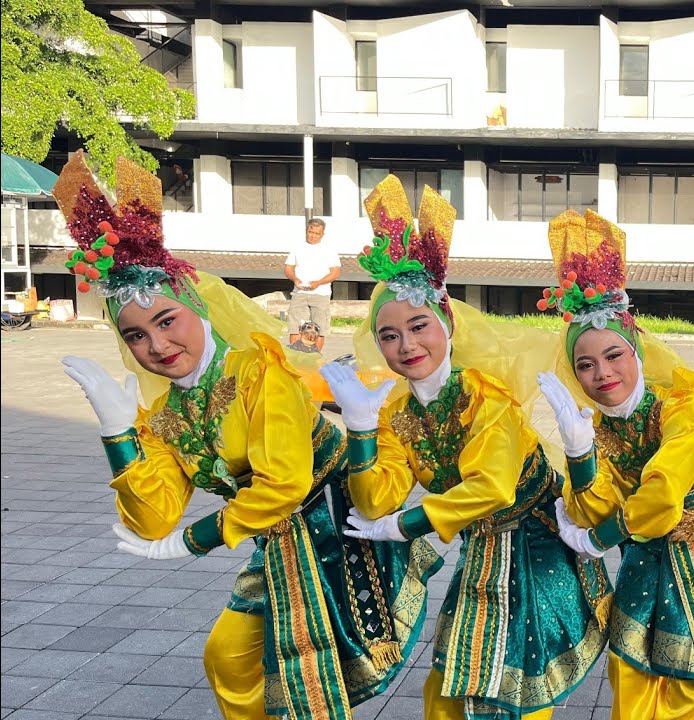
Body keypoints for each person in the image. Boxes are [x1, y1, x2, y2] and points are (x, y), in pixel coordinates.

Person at [55, 151, 438, 719]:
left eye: (166, 321)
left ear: (199, 313)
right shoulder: (165, 413)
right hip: (278, 544)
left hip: (334, 531)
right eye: (135, 336)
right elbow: (153, 517)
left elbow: (283, 484)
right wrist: (119, 434)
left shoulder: (258, 373)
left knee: (308, 674)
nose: (157, 347)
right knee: (229, 659)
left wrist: (197, 539)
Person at [322, 175, 608, 719]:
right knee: (453, 685)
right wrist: (359, 430)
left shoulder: (487, 398)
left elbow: (492, 486)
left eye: (418, 326)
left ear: (447, 322)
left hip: (534, 546)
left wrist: (406, 527)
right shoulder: (397, 413)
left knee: (504, 688)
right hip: (483, 546)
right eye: (388, 335)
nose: (406, 345)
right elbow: (375, 499)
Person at [535, 208, 694, 720]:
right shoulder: (598, 429)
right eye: (585, 363)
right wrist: (579, 454)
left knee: (692, 677)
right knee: (632, 670)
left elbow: (663, 496)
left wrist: (601, 538)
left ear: (638, 352)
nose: (602, 373)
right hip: (648, 552)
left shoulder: (680, 406)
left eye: (615, 355)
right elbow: (590, 507)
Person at [285, 218, 340, 351]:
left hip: (321, 293)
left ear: (322, 234)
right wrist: (294, 279)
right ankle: (295, 355)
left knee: (319, 327)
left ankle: (315, 357)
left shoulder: (329, 250)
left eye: (317, 233)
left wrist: (319, 282)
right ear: (307, 231)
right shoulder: (298, 248)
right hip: (300, 292)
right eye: (311, 232)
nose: (313, 236)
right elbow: (288, 268)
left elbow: (335, 272)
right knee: (295, 326)